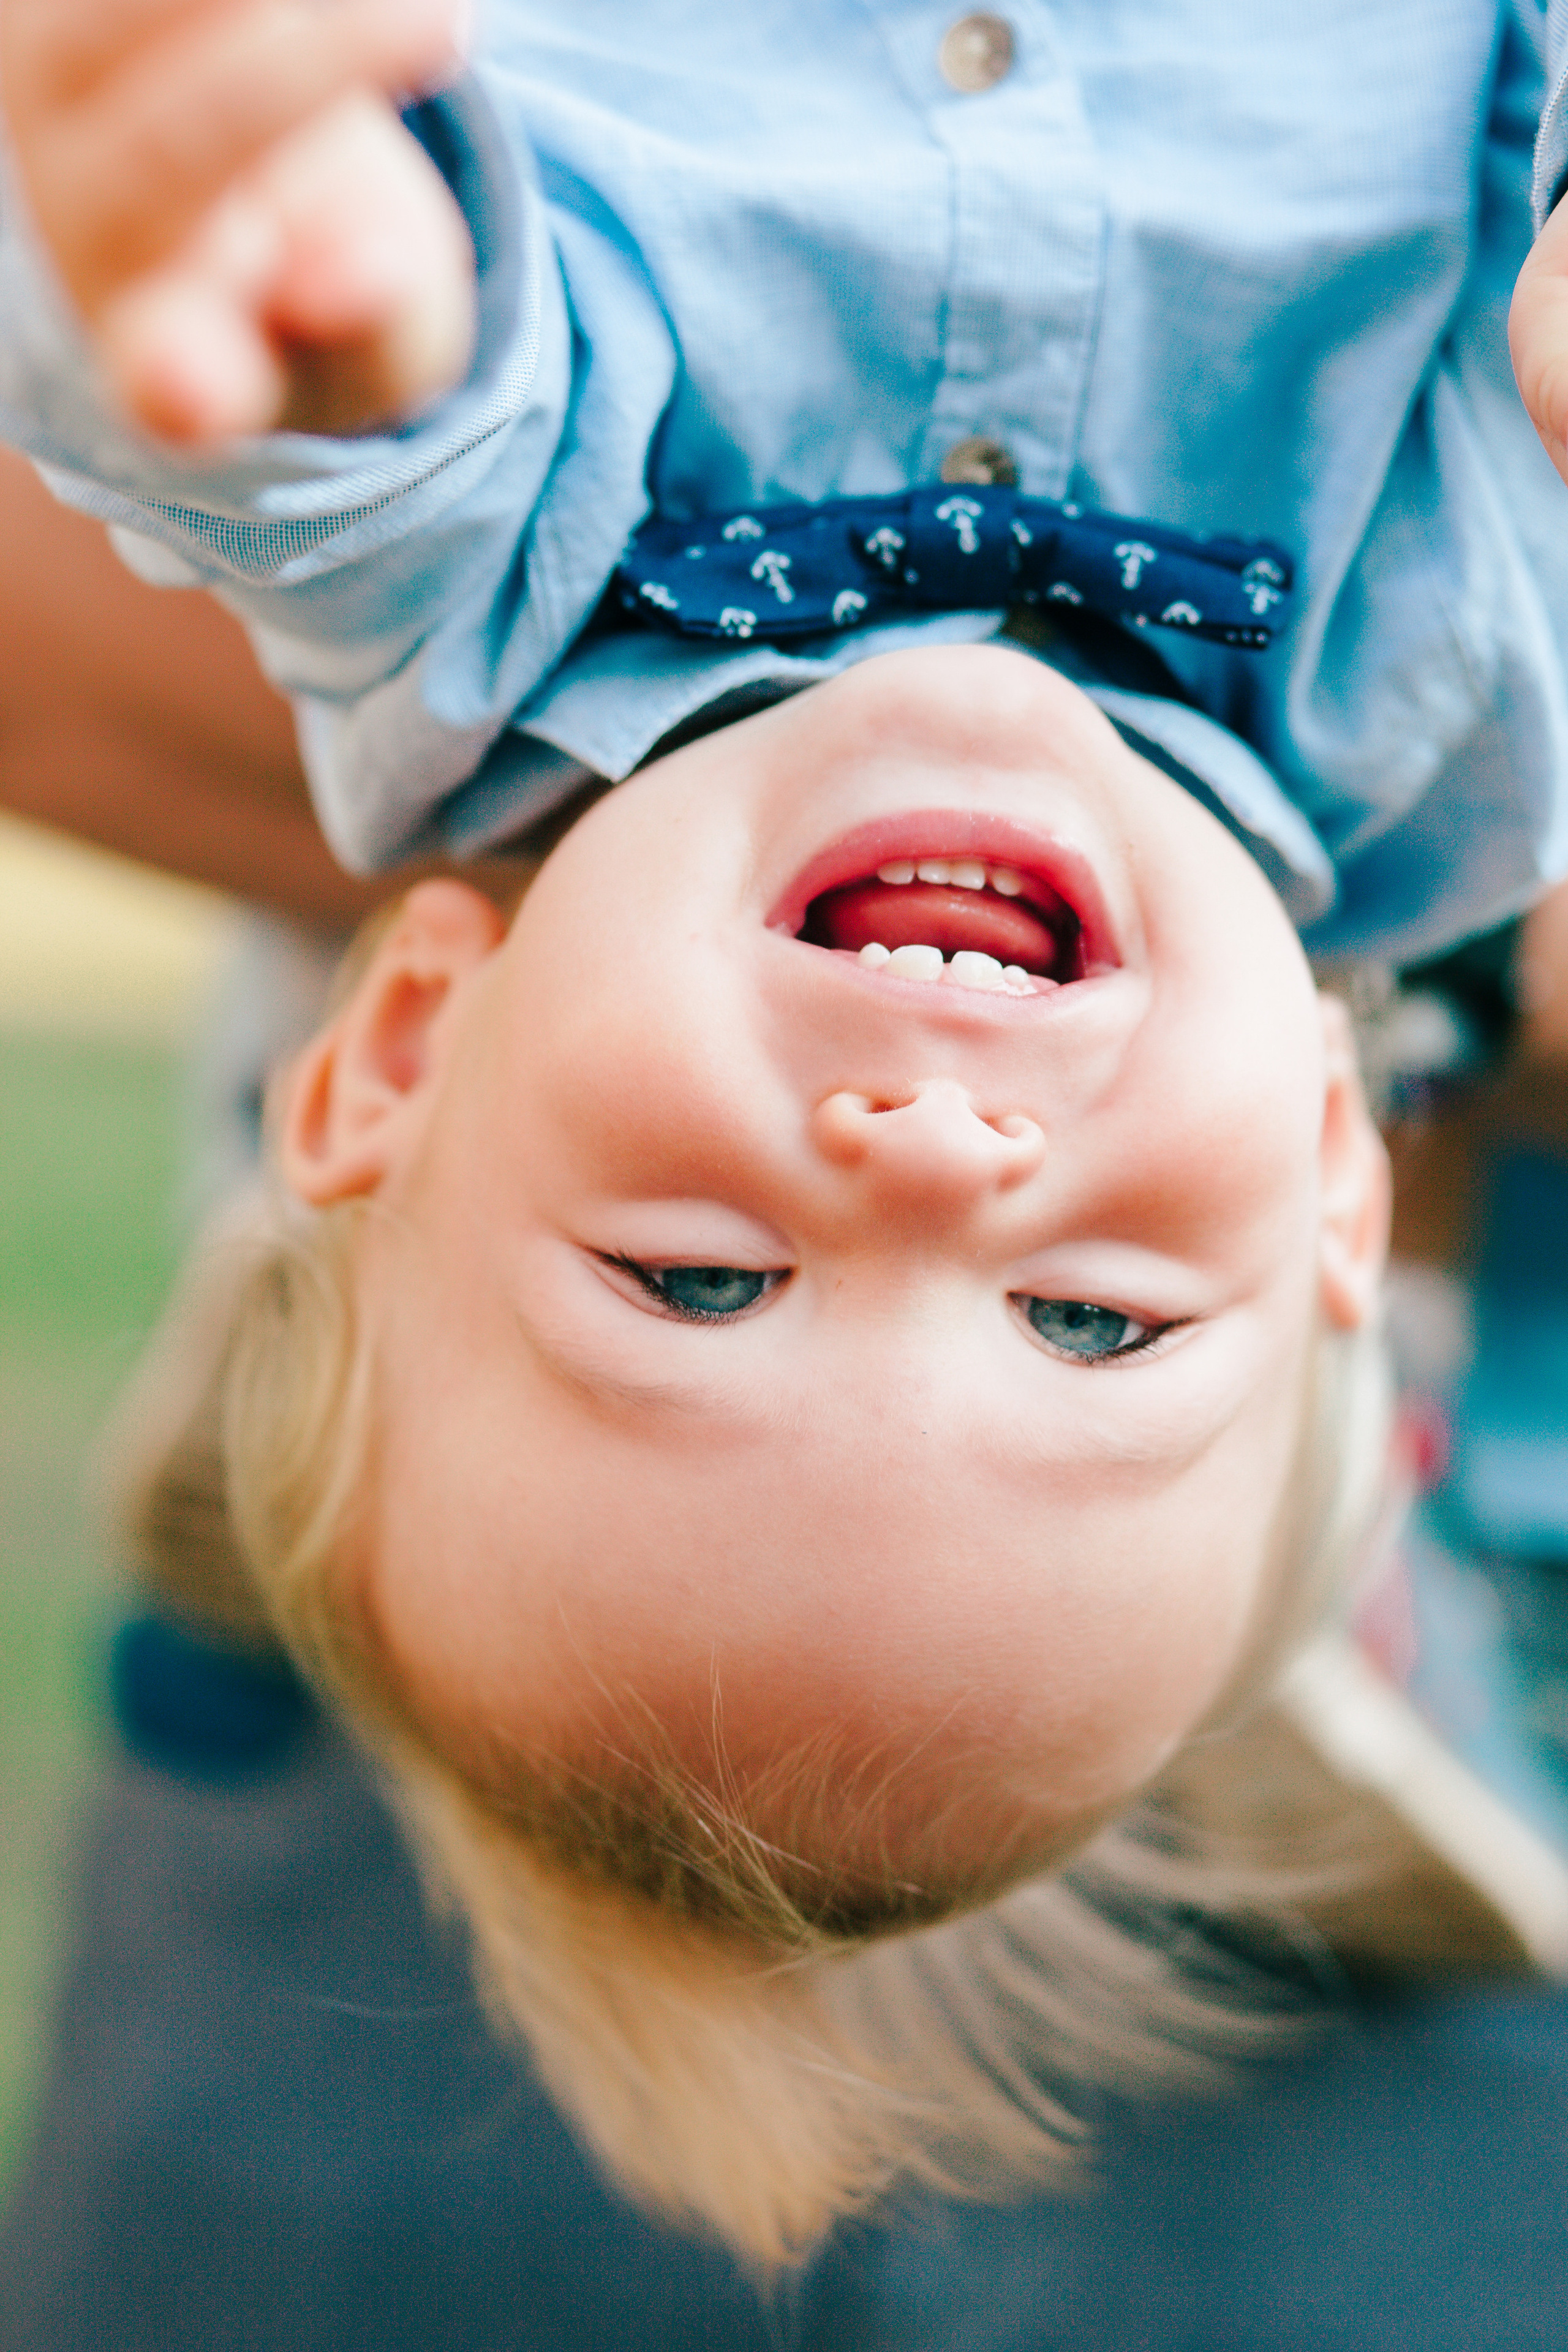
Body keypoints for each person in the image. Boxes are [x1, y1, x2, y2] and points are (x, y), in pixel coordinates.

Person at [2, 0, 1568, 2269]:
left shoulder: (476, 574)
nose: (930, 1162)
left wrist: (269, 276)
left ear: (407, 1046)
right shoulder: (1476, 651)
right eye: (1092, 1324)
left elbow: (325, 440)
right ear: (1332, 1158)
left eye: (698, 1282)